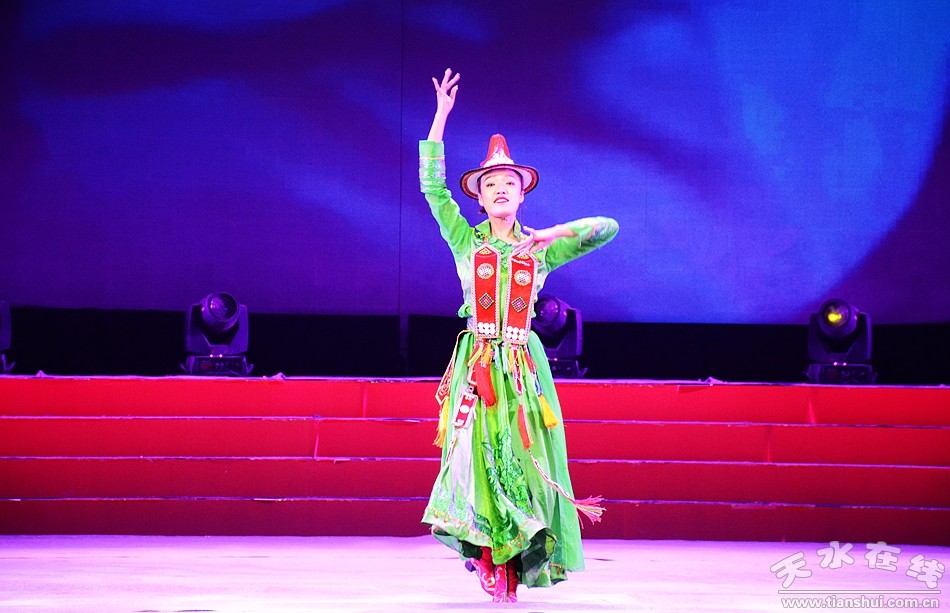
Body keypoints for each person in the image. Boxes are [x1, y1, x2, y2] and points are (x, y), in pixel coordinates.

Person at [419, 68, 620, 604]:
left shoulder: (541, 249)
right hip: (479, 362)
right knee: (481, 455)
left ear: (522, 194)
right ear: (481, 200)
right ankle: (486, 554)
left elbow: (608, 229)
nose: (501, 189)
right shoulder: (467, 241)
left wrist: (557, 232)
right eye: (491, 185)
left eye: (510, 183)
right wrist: (440, 118)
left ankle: (515, 558)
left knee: (525, 457)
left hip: (524, 365)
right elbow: (433, 189)